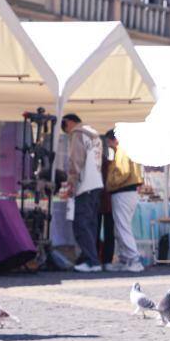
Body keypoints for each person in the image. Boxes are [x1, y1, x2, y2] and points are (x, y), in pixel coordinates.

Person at [61, 113, 104, 273]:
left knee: (81, 225)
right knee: (91, 225)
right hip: (96, 184)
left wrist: (71, 184)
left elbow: (76, 161)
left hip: (84, 186)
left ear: (69, 122)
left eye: (65, 128)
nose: (67, 132)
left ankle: (92, 261)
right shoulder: (94, 134)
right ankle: (89, 259)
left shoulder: (78, 134)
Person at [103, 129, 144, 272]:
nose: (109, 145)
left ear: (113, 139)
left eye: (109, 142)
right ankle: (125, 259)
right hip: (126, 192)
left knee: (122, 227)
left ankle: (133, 259)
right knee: (121, 227)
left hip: (123, 192)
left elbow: (123, 172)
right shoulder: (126, 149)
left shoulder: (122, 150)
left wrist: (111, 183)